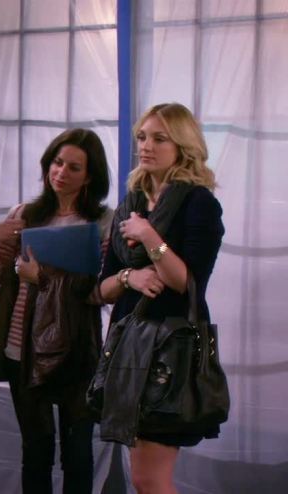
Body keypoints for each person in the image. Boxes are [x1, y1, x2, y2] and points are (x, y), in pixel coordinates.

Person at [0, 128, 113, 493]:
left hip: (76, 348)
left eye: (73, 167)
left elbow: (100, 292)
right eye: (57, 162)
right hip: (22, 347)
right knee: (35, 450)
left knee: (78, 453)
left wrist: (43, 277)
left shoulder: (101, 222)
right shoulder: (24, 214)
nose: (61, 172)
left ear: (90, 176)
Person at [98, 102, 224, 494]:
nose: (146, 146)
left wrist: (149, 235)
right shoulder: (131, 203)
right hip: (128, 347)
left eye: (159, 138)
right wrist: (129, 276)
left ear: (183, 147)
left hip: (170, 350)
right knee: (143, 479)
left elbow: (186, 282)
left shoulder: (199, 203)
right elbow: (101, 289)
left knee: (150, 479)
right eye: (142, 137)